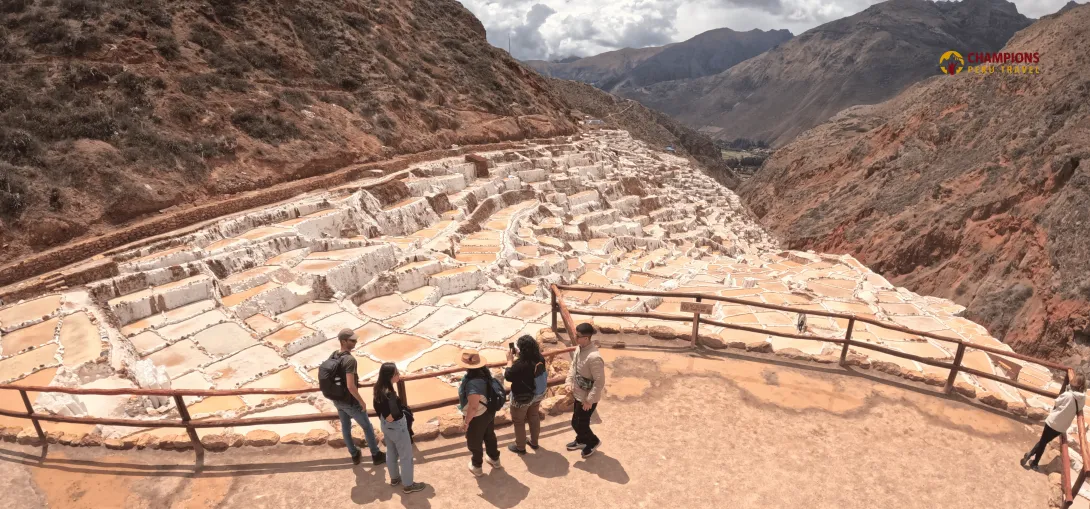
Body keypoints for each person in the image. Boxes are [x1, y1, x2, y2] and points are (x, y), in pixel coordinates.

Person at [328, 329, 386, 466]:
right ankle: (376, 454)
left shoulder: (333, 355)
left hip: (337, 399)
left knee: (346, 427)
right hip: (350, 401)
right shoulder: (350, 360)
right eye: (352, 340)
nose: (355, 342)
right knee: (367, 427)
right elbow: (350, 385)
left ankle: (354, 455)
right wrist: (361, 401)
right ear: (344, 341)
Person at [373, 363, 427, 493]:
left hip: (385, 426)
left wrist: (386, 418)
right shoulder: (389, 394)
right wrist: (401, 415)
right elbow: (394, 414)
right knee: (406, 456)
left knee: (391, 452)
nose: (399, 375)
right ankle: (408, 485)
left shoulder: (378, 388)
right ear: (390, 376)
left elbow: (378, 409)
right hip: (396, 427)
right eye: (397, 373)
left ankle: (395, 478)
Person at [1022, 373, 1086, 471]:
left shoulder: (1067, 395)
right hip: (1062, 427)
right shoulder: (1082, 399)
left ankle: (1032, 458)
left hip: (1052, 421)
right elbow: (1079, 409)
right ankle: (1033, 461)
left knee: (1043, 442)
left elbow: (1056, 403)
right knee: (1044, 441)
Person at [457, 349, 502, 476]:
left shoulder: (472, 384)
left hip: (477, 416)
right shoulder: (484, 374)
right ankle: (495, 459)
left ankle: (477, 466)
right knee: (489, 435)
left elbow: (473, 406)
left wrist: (466, 422)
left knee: (474, 441)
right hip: (489, 411)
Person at [566, 322, 605, 458]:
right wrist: (569, 381)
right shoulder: (579, 348)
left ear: (586, 338)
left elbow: (599, 382)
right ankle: (582, 440)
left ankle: (593, 442)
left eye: (578, 336)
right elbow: (574, 366)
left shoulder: (594, 357)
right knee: (576, 422)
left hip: (588, 398)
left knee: (580, 424)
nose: (575, 337)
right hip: (579, 393)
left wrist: (589, 400)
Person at [505, 335, 547, 455]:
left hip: (522, 398)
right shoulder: (540, 358)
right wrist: (519, 354)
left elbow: (508, 376)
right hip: (537, 394)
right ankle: (534, 442)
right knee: (533, 416)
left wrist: (509, 360)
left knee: (519, 421)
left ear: (522, 349)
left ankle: (520, 447)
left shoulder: (520, 365)